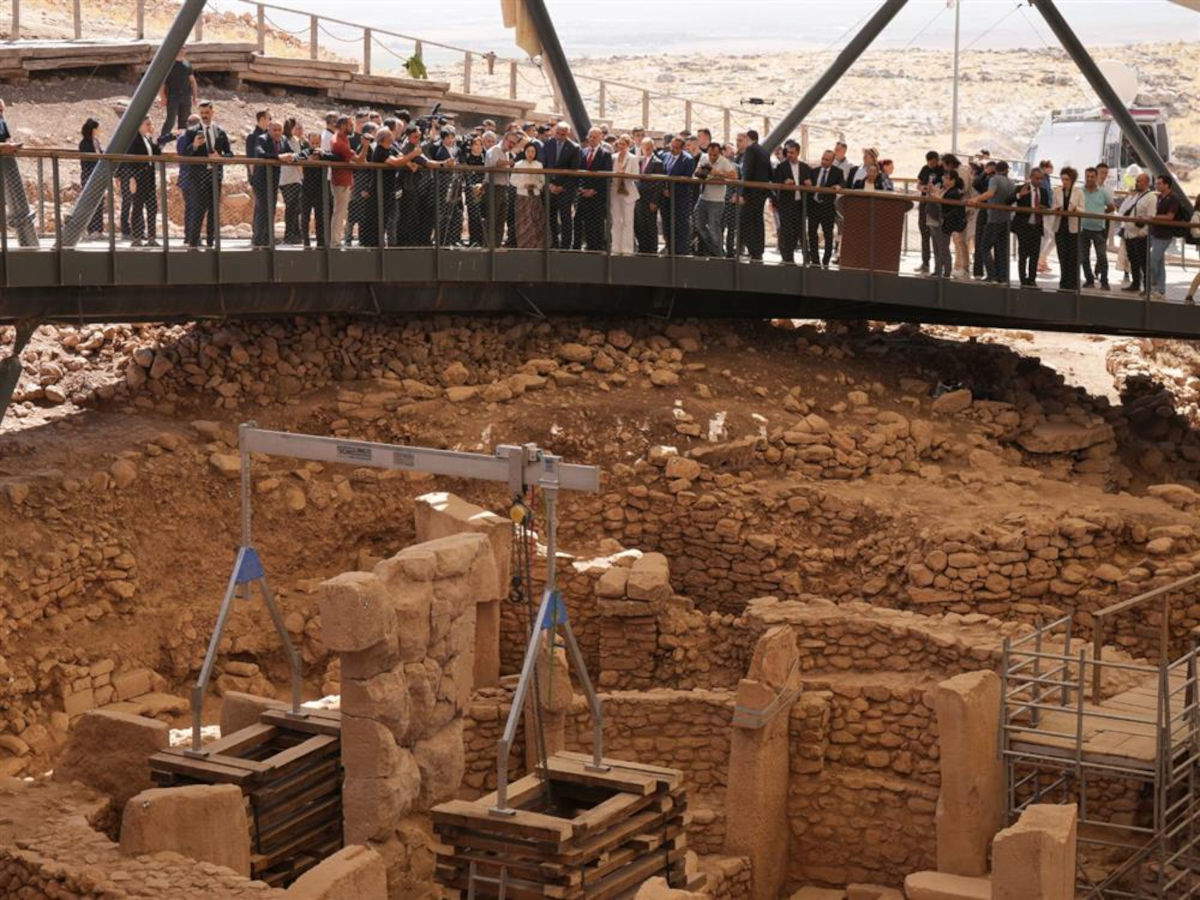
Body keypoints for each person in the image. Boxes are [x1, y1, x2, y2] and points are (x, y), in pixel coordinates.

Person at [183, 101, 233, 248]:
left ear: (212, 112)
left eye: (207, 113)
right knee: (198, 209)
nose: (204, 116)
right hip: (198, 177)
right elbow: (185, 154)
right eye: (202, 113)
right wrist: (194, 146)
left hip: (215, 176)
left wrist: (221, 157)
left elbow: (230, 153)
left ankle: (212, 241)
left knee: (214, 210)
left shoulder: (220, 131)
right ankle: (193, 242)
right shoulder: (192, 131)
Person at [250, 120, 294, 248]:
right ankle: (258, 239)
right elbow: (260, 153)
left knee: (271, 208)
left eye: (279, 130)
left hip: (274, 179)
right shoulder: (262, 139)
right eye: (274, 130)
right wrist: (278, 157)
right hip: (261, 179)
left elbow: (291, 152)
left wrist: (291, 156)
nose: (277, 133)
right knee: (262, 208)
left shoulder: (283, 140)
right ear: (269, 130)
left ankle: (268, 238)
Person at [121, 116, 163, 247]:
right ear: (140, 125)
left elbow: (157, 153)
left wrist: (153, 136)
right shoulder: (133, 139)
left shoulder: (147, 139)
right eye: (147, 124)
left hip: (149, 179)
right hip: (138, 178)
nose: (150, 126)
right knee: (137, 208)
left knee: (152, 208)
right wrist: (131, 179)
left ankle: (151, 237)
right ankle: (137, 238)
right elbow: (129, 160)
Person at [973, 160, 1016, 284]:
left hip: (994, 218)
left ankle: (992, 275)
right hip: (1006, 219)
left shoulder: (994, 179)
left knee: (984, 247)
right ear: (1007, 170)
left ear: (996, 170)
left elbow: (990, 193)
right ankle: (1002, 278)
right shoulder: (1011, 182)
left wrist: (976, 199)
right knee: (1002, 250)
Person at [539, 121, 581, 249]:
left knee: (565, 218)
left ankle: (565, 246)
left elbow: (574, 171)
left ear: (567, 134)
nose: (559, 136)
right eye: (558, 133)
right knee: (550, 217)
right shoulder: (548, 144)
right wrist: (550, 185)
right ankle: (553, 243)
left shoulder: (574, 148)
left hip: (566, 190)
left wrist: (562, 187)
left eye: (563, 134)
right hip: (549, 188)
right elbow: (543, 166)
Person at [771, 139, 810, 264]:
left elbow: (810, 181)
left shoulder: (805, 167)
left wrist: (809, 184)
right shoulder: (781, 167)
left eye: (792, 153)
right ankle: (787, 258)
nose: (789, 155)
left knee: (799, 231)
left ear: (798, 153)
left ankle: (806, 259)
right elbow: (775, 183)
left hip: (800, 205)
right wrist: (784, 183)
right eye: (788, 152)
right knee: (786, 231)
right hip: (786, 204)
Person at [694, 139, 736, 257]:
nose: (712, 157)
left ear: (720, 153)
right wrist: (703, 173)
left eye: (715, 155)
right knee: (698, 224)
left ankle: (719, 254)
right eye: (710, 154)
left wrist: (717, 173)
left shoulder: (724, 161)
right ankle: (715, 250)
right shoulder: (704, 158)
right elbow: (697, 171)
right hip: (703, 197)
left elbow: (734, 175)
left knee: (714, 228)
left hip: (717, 200)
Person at [329, 114, 365, 246]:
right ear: (343, 125)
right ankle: (335, 242)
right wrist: (365, 146)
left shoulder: (342, 138)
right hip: (341, 181)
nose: (353, 127)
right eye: (350, 125)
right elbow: (359, 159)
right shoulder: (339, 141)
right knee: (340, 212)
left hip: (344, 180)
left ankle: (336, 240)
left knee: (341, 212)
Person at [658, 135, 697, 255]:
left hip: (680, 199)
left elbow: (686, 180)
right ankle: (669, 247)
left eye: (676, 148)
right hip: (665, 197)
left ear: (682, 148)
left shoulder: (688, 160)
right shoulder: (665, 156)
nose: (672, 149)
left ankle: (680, 251)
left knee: (680, 225)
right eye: (672, 146)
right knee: (666, 223)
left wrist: (673, 190)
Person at [1118, 173, 1156, 294]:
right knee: (1133, 260)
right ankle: (1135, 284)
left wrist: (1144, 232)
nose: (1137, 183)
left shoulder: (1151, 197)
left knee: (1143, 262)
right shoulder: (1135, 196)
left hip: (1140, 235)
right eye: (1137, 181)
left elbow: (1151, 216)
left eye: (1139, 181)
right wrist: (1130, 197)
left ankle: (1147, 288)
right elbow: (1122, 210)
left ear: (1146, 182)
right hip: (1129, 233)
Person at [575, 126, 612, 252]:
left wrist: (594, 190)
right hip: (582, 193)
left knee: (597, 222)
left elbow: (607, 176)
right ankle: (581, 245)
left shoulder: (606, 154)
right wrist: (581, 189)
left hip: (598, 195)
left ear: (601, 138)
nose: (591, 139)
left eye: (595, 137)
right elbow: (578, 172)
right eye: (590, 136)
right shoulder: (582, 152)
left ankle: (597, 248)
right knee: (579, 220)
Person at [737, 129, 772, 261]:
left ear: (747, 138)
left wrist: (742, 194)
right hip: (761, 193)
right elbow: (769, 172)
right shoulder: (764, 151)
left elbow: (747, 173)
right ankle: (758, 250)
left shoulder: (750, 150)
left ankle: (752, 250)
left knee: (746, 221)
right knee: (758, 221)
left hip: (751, 193)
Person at [1079, 166, 1114, 290]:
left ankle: (1104, 282)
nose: (1089, 179)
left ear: (1096, 177)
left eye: (1092, 176)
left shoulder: (1103, 192)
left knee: (1102, 257)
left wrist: (1101, 213)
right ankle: (1089, 280)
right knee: (1084, 257)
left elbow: (1111, 207)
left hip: (1099, 229)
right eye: (1087, 176)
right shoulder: (1080, 191)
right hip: (1083, 228)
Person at [807, 149, 843, 267]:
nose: (823, 161)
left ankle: (826, 261)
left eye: (827, 159)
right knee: (812, 234)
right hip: (814, 207)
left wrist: (838, 186)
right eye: (823, 158)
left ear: (832, 161)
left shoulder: (837, 172)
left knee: (828, 235)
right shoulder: (814, 171)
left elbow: (843, 183)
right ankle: (815, 261)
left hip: (827, 208)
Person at [1148, 175, 1181, 300]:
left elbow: (1170, 216)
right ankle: (1160, 290)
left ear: (1167, 185)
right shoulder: (1159, 197)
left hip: (1164, 235)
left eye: (1160, 183)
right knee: (1159, 263)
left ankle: (1153, 286)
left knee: (1153, 260)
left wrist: (1153, 216)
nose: (1157, 185)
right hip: (1155, 232)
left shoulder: (1173, 198)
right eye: (1156, 183)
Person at [1050, 166, 1084, 290]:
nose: (1064, 182)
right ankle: (1063, 282)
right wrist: (1056, 209)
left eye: (1067, 179)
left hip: (1073, 229)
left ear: (1072, 180)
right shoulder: (1057, 191)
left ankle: (1073, 283)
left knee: (1073, 257)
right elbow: (1053, 206)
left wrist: (1075, 209)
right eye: (1062, 179)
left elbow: (1083, 209)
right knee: (1062, 256)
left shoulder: (1079, 192)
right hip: (1060, 227)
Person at [1011, 167, 1046, 286]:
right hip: (1023, 227)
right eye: (1037, 178)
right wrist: (1019, 195)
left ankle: (1032, 279)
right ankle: (1022, 279)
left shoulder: (1044, 191)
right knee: (1023, 254)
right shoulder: (1021, 188)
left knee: (1035, 254)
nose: (1039, 181)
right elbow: (1008, 200)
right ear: (1031, 177)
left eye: (1041, 179)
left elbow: (1046, 206)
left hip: (1036, 226)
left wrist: (1043, 208)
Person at [278, 118, 308, 245]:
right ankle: (290, 234)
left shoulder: (295, 141)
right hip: (289, 178)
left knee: (295, 208)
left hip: (295, 178)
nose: (300, 130)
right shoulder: (287, 140)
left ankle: (295, 234)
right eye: (297, 128)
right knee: (292, 208)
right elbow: (295, 156)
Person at [484, 129, 516, 247]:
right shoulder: (494, 150)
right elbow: (495, 163)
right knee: (492, 218)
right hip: (493, 187)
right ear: (504, 139)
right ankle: (489, 245)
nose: (512, 145)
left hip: (503, 188)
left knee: (501, 219)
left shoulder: (507, 153)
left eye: (514, 143)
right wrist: (509, 163)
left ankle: (496, 245)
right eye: (510, 142)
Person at [511, 141, 545, 248]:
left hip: (535, 195)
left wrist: (535, 185)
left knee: (536, 220)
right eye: (528, 151)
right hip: (522, 196)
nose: (530, 153)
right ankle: (523, 244)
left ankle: (536, 244)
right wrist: (523, 184)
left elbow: (542, 181)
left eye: (533, 151)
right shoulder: (518, 164)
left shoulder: (539, 165)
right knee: (523, 220)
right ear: (525, 152)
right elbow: (512, 180)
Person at [609, 134, 639, 255]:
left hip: (628, 191)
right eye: (619, 144)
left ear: (628, 145)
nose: (621, 146)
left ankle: (627, 249)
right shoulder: (613, 157)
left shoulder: (632, 158)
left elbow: (636, 175)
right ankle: (615, 248)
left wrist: (624, 175)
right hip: (615, 191)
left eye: (624, 144)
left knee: (627, 221)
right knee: (616, 220)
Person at [914, 151, 944, 273]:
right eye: (929, 162)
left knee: (936, 235)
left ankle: (939, 265)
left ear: (937, 160)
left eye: (933, 162)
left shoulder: (942, 170)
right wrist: (922, 188)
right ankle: (925, 262)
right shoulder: (925, 169)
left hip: (936, 206)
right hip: (924, 203)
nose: (931, 165)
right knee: (924, 233)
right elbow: (918, 183)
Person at [158, 48, 197, 140]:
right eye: (180, 48)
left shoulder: (187, 65)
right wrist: (162, 97)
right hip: (173, 96)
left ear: (186, 51)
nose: (181, 51)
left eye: (184, 48)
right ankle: (161, 142)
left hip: (186, 97)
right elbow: (162, 83)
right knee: (170, 121)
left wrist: (194, 97)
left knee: (184, 122)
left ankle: (183, 143)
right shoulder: (169, 65)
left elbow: (193, 82)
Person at [634, 137, 663, 254]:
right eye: (644, 148)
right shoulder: (641, 161)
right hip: (639, 198)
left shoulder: (657, 162)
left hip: (650, 199)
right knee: (640, 224)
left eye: (649, 148)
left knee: (650, 224)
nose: (646, 150)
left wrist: (655, 201)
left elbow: (659, 184)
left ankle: (652, 249)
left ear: (652, 148)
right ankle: (643, 247)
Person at [301, 129, 328, 247]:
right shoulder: (305, 152)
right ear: (309, 142)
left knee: (320, 216)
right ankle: (306, 241)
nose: (315, 146)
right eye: (313, 143)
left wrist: (322, 155)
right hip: (306, 188)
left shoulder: (324, 154)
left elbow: (334, 157)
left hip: (320, 189)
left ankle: (320, 241)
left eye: (317, 143)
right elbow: (297, 157)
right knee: (305, 216)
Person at [78, 118, 105, 239]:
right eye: (98, 128)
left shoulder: (96, 141)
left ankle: (98, 230)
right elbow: (87, 161)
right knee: (89, 202)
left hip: (98, 176)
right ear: (93, 129)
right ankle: (90, 229)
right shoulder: (85, 143)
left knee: (99, 202)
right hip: (89, 175)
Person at [940, 172, 968, 279]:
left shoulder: (953, 193)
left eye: (947, 178)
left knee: (945, 247)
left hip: (950, 224)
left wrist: (945, 217)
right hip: (953, 223)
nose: (944, 180)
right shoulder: (953, 191)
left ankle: (947, 271)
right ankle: (948, 270)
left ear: (953, 180)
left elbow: (951, 208)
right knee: (946, 247)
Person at [461, 135, 486, 247]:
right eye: (476, 144)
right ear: (471, 146)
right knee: (473, 214)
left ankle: (482, 239)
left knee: (483, 214)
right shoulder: (467, 158)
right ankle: (474, 239)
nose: (478, 147)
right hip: (471, 189)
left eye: (481, 144)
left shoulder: (485, 157)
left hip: (483, 189)